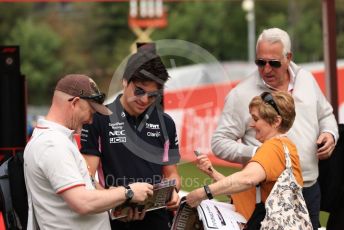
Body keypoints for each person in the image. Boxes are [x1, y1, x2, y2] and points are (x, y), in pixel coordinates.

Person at [211, 27, 338, 229]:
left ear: (289, 57)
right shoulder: (241, 94)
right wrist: (259, 153)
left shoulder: (306, 78)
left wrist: (330, 134)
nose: (266, 69)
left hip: (309, 188)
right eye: (260, 62)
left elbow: (326, 115)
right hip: (264, 196)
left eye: (274, 63)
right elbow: (219, 143)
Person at [24, 74, 154, 230]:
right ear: (75, 103)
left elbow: (87, 187)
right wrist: (128, 192)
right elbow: (82, 202)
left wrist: (116, 206)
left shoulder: (59, 140)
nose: (91, 121)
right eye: (91, 112)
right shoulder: (52, 144)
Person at [80, 44, 181, 230]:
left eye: (152, 95)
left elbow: (172, 173)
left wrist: (173, 191)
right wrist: (117, 203)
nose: (144, 100)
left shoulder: (166, 123)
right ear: (125, 82)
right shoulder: (99, 119)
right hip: (114, 220)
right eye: (139, 91)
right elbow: (86, 177)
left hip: (156, 219)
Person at [186, 91, 303, 221]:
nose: (252, 124)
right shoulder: (281, 147)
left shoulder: (274, 147)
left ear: (276, 121)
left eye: (256, 119)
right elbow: (242, 189)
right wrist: (212, 173)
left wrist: (203, 192)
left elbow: (247, 179)